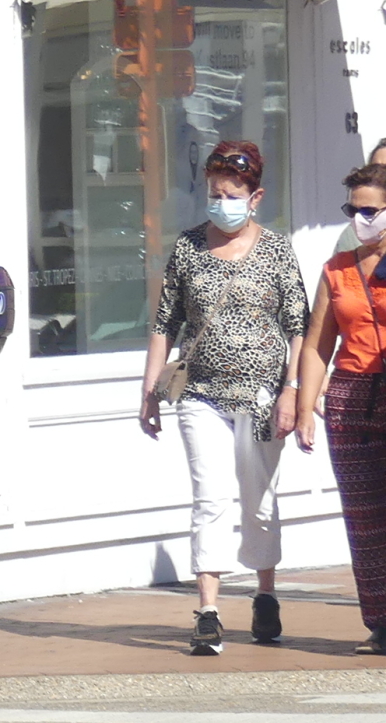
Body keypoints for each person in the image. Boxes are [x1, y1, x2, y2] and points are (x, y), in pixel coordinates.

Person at [138, 140, 307, 654]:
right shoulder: (189, 246)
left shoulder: (277, 250)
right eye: (214, 193)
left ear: (255, 197)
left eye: (231, 194)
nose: (221, 202)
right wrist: (149, 391)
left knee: (259, 501)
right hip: (202, 395)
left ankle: (265, 593)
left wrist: (292, 391)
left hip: (262, 397)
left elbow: (298, 324)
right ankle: (208, 610)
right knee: (209, 498)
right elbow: (164, 323)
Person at [296, 164, 386, 653]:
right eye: (353, 209)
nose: (360, 218)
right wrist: (306, 406)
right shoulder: (337, 269)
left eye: (370, 210)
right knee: (365, 517)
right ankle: (380, 622)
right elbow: (316, 344)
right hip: (352, 397)